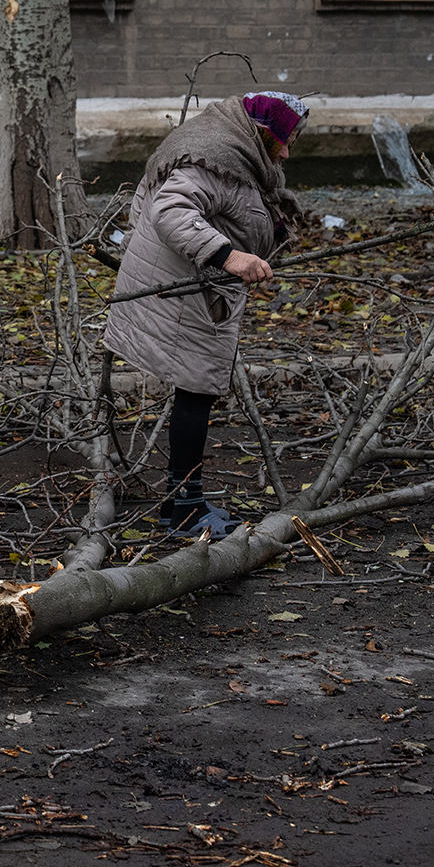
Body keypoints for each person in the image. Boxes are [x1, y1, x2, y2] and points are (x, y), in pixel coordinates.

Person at [102, 92, 308, 538]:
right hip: (188, 296)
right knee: (196, 391)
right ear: (260, 132)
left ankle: (182, 501)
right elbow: (168, 211)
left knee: (195, 391)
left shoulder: (235, 157)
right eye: (283, 141)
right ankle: (185, 510)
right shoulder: (214, 161)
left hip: (195, 290)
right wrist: (228, 256)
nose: (288, 152)